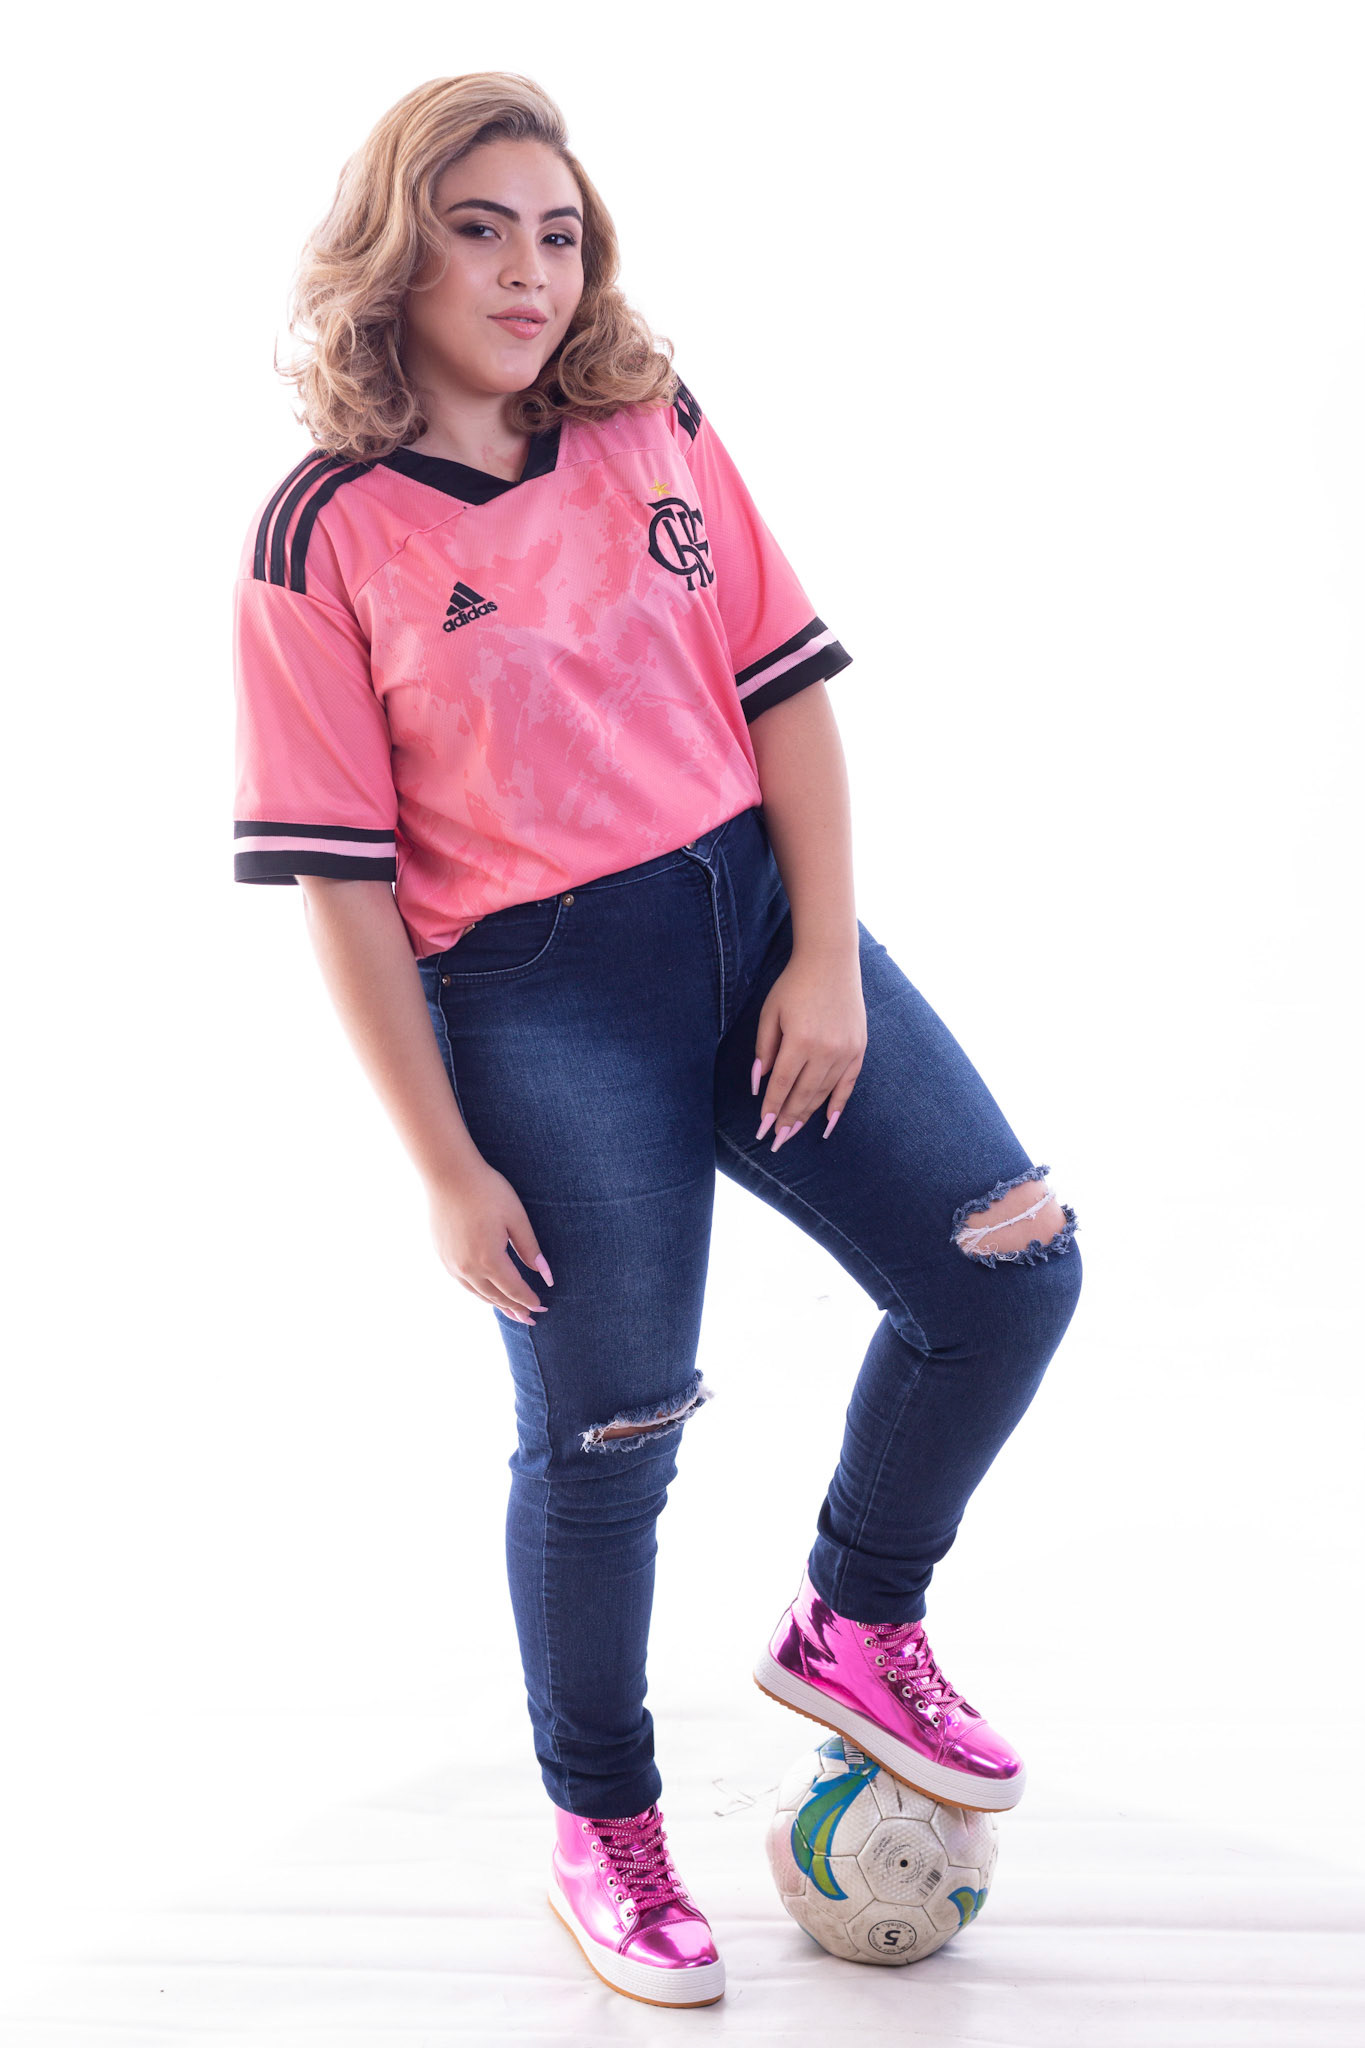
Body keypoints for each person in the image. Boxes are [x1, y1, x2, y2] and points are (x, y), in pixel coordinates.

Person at [232, 71, 1083, 2011]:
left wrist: (824, 959)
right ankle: (599, 1824)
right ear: (393, 254)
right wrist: (444, 1165)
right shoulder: (319, 534)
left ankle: (854, 1618)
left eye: (556, 233)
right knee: (608, 1430)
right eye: (477, 231)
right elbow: (338, 883)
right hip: (537, 1000)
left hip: (759, 926)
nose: (526, 272)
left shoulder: (646, 422)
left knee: (1007, 1268)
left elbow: (782, 693)